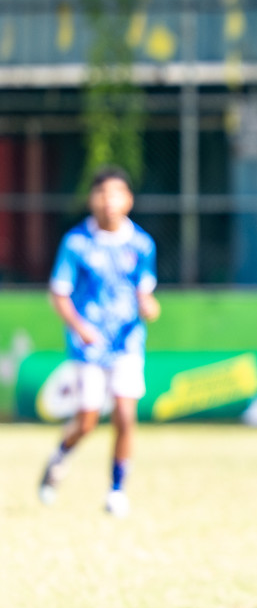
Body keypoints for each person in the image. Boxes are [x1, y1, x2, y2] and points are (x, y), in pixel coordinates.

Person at [37, 166, 160, 517]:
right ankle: (60, 455)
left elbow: (145, 292)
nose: (109, 202)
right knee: (88, 419)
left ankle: (117, 490)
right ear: (92, 200)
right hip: (88, 345)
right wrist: (80, 326)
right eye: (102, 194)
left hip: (127, 342)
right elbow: (59, 294)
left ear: (129, 200)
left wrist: (148, 306)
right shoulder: (76, 243)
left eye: (116, 194)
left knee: (125, 413)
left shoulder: (141, 244)